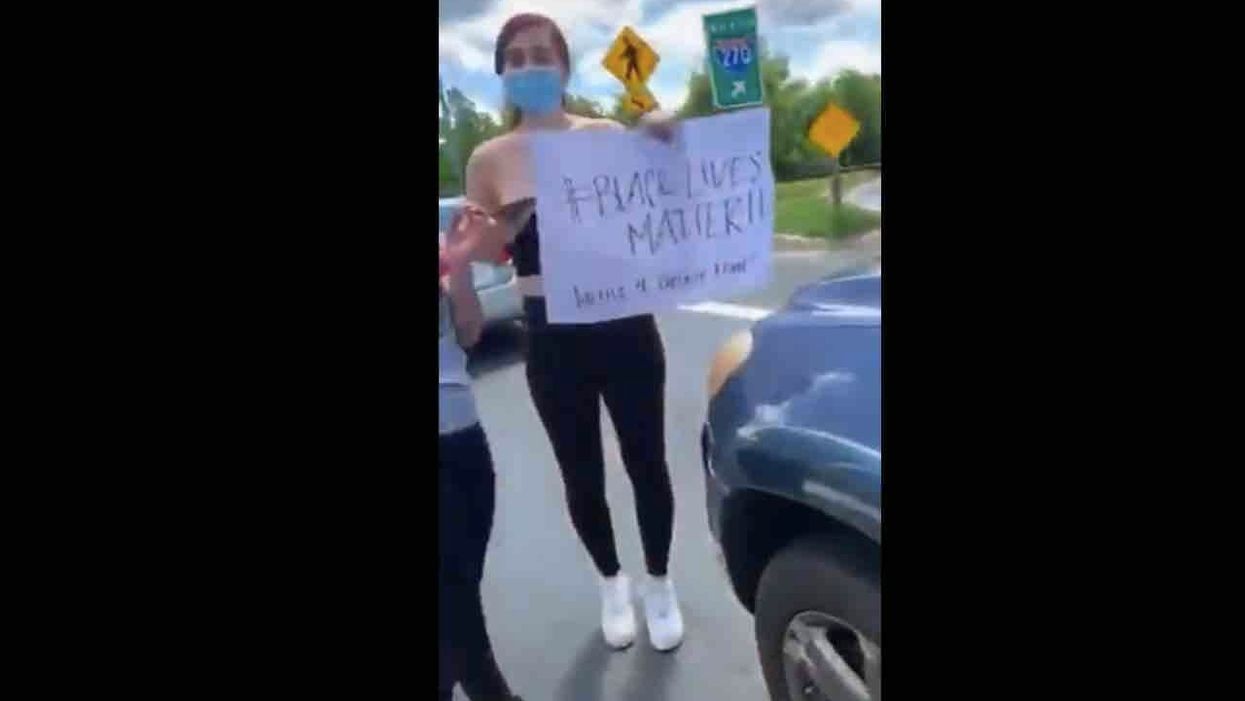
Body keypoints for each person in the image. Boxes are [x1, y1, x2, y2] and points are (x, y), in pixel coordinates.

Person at [454, 12, 684, 653]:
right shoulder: (489, 159)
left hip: (623, 321)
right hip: (552, 334)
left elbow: (658, 194)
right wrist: (497, 229)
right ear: (502, 74)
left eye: (541, 55)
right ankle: (612, 582)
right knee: (580, 472)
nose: (529, 67)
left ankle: (660, 581)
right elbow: (489, 251)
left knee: (647, 460)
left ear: (563, 66)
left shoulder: (604, 134)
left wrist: (664, 133)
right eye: (516, 58)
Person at [439, 211, 523, 701]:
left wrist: (459, 266)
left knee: (462, 585)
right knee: (453, 593)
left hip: (465, 440)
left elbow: (469, 333)